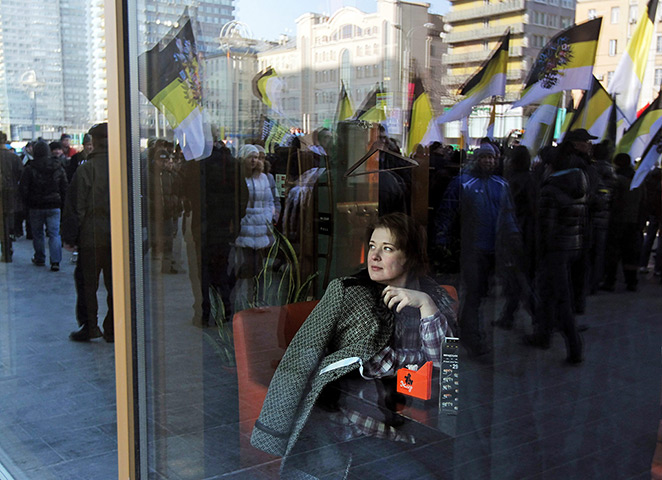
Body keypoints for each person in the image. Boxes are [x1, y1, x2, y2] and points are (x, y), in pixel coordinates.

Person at [251, 213, 456, 478]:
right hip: (356, 428)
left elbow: (447, 367)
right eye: (372, 246)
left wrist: (426, 305)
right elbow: (300, 356)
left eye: (387, 248)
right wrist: (275, 432)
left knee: (460, 465)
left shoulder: (431, 296)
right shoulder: (347, 292)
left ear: (411, 256)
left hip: (417, 420)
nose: (374, 256)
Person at [435, 145, 520, 357]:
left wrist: (514, 238)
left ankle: (465, 329)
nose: (488, 161)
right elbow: (447, 212)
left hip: (492, 250)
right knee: (474, 294)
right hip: (471, 249)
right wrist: (441, 238)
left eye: (492, 157)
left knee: (478, 295)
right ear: (476, 159)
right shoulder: (462, 183)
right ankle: (473, 339)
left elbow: (508, 215)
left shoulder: (501, 185)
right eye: (484, 157)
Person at [525, 145, 587, 364]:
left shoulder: (551, 189)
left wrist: (538, 252)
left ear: (550, 165)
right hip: (572, 246)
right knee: (551, 294)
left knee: (561, 298)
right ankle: (543, 335)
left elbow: (546, 228)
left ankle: (574, 347)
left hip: (555, 250)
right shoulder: (578, 182)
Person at [62, 123, 113, 342]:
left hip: (91, 238)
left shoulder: (86, 169)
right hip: (116, 239)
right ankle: (113, 328)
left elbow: (76, 207)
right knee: (116, 285)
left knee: (86, 284)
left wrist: (70, 238)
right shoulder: (124, 168)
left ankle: (90, 326)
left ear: (95, 143)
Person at [19, 141, 68, 271]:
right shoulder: (58, 166)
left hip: (36, 205)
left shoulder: (30, 168)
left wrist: (27, 202)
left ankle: (40, 257)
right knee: (54, 234)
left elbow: (23, 188)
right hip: (54, 205)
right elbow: (64, 186)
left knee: (38, 233)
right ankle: (55, 261)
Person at [600, 153, 645, 292]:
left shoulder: (617, 180)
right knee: (631, 253)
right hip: (634, 221)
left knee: (613, 252)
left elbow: (612, 200)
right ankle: (631, 282)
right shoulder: (638, 179)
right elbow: (644, 202)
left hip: (618, 221)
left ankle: (610, 281)